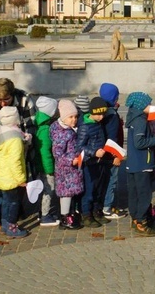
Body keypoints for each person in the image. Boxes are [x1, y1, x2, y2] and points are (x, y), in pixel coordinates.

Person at [125, 91, 155, 236]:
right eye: (148, 104)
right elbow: (139, 142)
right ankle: (141, 222)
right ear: (141, 105)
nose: (151, 106)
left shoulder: (133, 118)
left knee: (134, 194)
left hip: (133, 164)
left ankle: (135, 219)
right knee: (144, 194)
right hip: (142, 164)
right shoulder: (140, 120)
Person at [0, 106, 30, 238]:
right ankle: (12, 226)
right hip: (12, 178)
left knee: (6, 201)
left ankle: (5, 224)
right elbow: (15, 161)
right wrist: (21, 179)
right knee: (13, 202)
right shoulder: (15, 139)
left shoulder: (0, 131)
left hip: (2, 175)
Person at [50, 99, 84, 230]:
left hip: (72, 169)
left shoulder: (68, 129)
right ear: (63, 117)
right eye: (70, 117)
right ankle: (64, 217)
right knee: (66, 193)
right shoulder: (61, 133)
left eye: (75, 117)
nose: (74, 120)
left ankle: (69, 213)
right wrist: (71, 160)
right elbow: (57, 154)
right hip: (65, 169)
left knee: (70, 193)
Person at [76, 97, 108, 227]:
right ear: (92, 112)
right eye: (99, 114)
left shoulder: (98, 123)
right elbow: (79, 146)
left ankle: (95, 211)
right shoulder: (85, 126)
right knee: (89, 189)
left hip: (98, 161)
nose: (101, 117)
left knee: (97, 188)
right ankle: (86, 214)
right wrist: (94, 152)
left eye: (103, 114)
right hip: (89, 162)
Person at [99, 83, 128, 220]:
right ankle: (107, 208)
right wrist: (116, 155)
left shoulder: (104, 111)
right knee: (111, 180)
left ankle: (103, 205)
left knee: (105, 179)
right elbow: (112, 138)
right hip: (111, 154)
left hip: (104, 153)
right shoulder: (111, 116)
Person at [33, 96, 59, 226]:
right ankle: (45, 215)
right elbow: (45, 152)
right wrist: (50, 169)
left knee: (42, 189)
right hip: (45, 166)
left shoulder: (39, 123)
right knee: (49, 189)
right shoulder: (46, 129)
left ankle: (41, 212)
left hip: (39, 165)